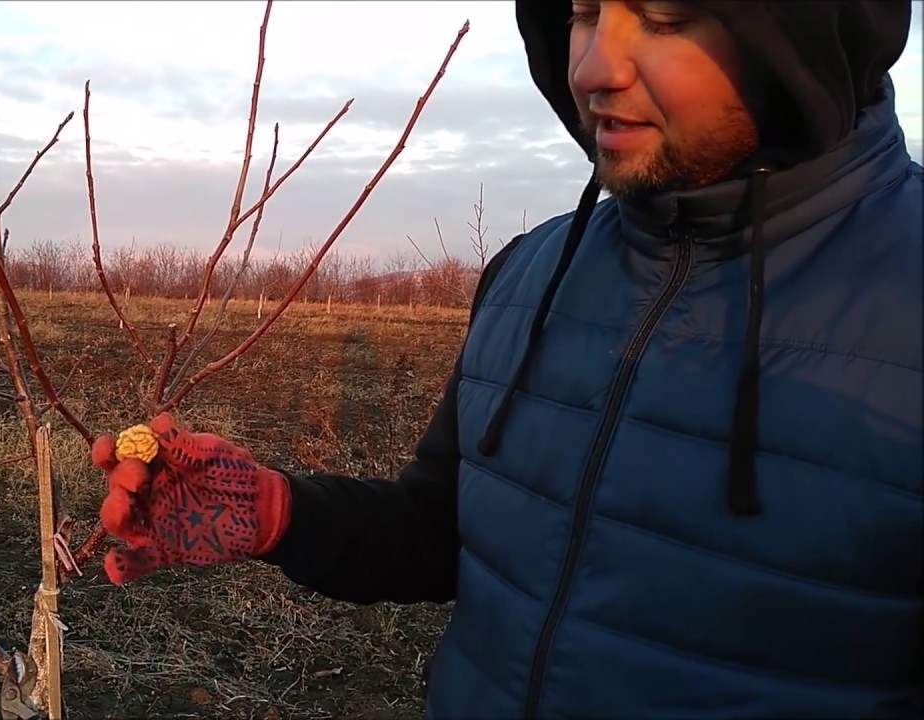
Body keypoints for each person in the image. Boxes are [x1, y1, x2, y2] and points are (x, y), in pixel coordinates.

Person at [89, 1, 923, 717]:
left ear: (799, 32)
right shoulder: (531, 276)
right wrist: (277, 513)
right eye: (584, 13)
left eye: (664, 17)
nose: (594, 67)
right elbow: (445, 531)